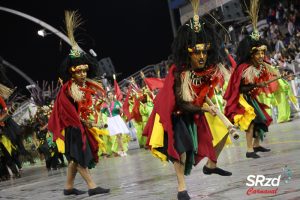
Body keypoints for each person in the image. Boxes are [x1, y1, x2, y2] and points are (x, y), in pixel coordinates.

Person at [143, 1, 232, 199]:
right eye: (196, 52)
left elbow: (201, 92)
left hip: (195, 111)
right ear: (187, 51)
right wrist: (204, 110)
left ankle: (211, 165)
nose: (201, 56)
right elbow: (181, 103)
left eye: (204, 51)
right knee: (180, 149)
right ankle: (181, 187)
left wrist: (210, 105)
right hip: (177, 115)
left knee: (224, 130)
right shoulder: (179, 74)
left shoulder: (204, 71)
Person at [48, 11, 109, 196]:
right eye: (78, 71)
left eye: (84, 70)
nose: (82, 74)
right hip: (74, 128)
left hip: (80, 126)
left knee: (74, 159)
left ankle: (68, 187)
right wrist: (84, 123)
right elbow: (68, 113)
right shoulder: (68, 89)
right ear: (71, 71)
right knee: (79, 156)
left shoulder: (85, 86)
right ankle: (92, 186)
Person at [224, 0, 278, 159]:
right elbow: (239, 88)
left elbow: (266, 72)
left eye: (263, 53)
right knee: (250, 121)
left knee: (261, 120)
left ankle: (256, 144)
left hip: (250, 97)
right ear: (251, 53)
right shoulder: (243, 68)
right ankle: (249, 150)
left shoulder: (258, 65)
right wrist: (256, 84)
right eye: (258, 53)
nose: (262, 56)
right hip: (241, 98)